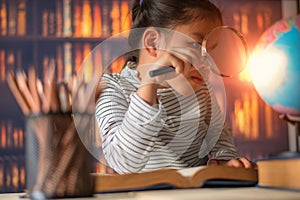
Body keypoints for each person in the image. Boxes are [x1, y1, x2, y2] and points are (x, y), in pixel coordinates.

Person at [95, 0, 256, 174]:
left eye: (210, 51)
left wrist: (223, 160)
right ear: (153, 43)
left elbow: (218, 136)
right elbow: (124, 162)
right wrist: (149, 84)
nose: (207, 63)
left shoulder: (202, 89)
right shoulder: (112, 88)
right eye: (196, 45)